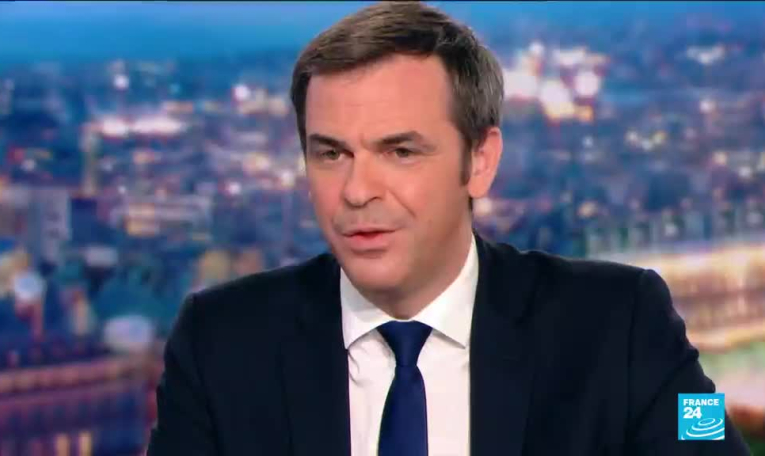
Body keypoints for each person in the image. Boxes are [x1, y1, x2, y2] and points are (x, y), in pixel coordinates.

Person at [147, 2, 749, 455]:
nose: (357, 190)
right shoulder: (220, 344)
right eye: (331, 153)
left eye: (400, 152)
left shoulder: (624, 324)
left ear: (480, 161)